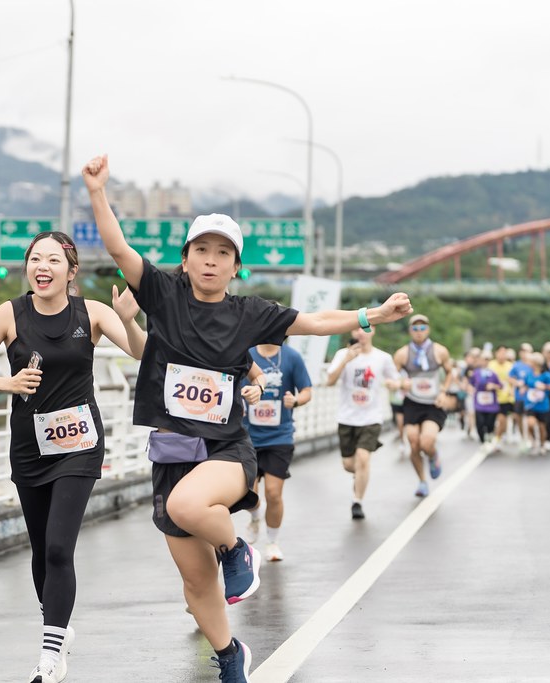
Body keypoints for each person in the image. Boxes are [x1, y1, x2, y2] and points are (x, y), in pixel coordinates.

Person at [82, 154, 412, 683]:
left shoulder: (250, 313)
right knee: (195, 582)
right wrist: (98, 192)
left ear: (237, 266)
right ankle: (230, 654)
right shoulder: (163, 295)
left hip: (227, 451)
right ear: (185, 259)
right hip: (172, 450)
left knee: (189, 504)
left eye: (223, 253)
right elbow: (118, 247)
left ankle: (239, 547)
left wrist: (371, 315)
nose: (211, 261)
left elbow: (316, 321)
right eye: (201, 250)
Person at [0, 230, 146, 683]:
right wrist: (9, 383)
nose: (42, 267)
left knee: (61, 546)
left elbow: (143, 354)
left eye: (53, 261)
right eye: (35, 259)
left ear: (71, 271)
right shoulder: (9, 313)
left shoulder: (94, 313)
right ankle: (58, 628)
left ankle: (49, 651)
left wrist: (130, 320)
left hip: (79, 445)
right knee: (42, 551)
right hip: (29, 446)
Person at [243, 340, 312, 559]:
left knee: (273, 493)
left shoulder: (291, 357)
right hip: (246, 435)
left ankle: (272, 542)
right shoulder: (246, 353)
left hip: (279, 435)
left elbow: (307, 390)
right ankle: (255, 518)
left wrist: (297, 400)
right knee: (248, 494)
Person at [326, 325, 400, 520]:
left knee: (363, 458)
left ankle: (357, 501)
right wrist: (346, 361)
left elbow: (396, 380)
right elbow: (329, 381)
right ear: (352, 332)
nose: (361, 333)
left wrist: (394, 384)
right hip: (347, 417)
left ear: (373, 331)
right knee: (349, 464)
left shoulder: (383, 358)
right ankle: (360, 475)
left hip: (371, 417)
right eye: (357, 329)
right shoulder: (343, 354)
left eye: (366, 329)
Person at [393, 313, 455, 498]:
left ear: (428, 330)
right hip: (412, 402)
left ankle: (433, 454)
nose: (419, 332)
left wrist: (444, 391)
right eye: (415, 328)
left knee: (426, 442)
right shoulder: (402, 354)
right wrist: (399, 383)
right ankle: (422, 481)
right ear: (410, 331)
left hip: (433, 402)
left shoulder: (440, 351)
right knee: (413, 443)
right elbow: (391, 376)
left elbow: (450, 372)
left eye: (422, 328)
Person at [522, 351, 550, 454]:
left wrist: (544, 386)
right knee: (530, 423)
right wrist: (523, 388)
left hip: (542, 405)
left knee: (542, 426)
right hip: (530, 404)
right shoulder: (529, 374)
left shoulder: (546, 375)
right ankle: (533, 441)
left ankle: (542, 444)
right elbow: (525, 384)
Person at [469, 350, 502, 451]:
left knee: (490, 423)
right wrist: (471, 390)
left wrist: (493, 386)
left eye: (487, 359)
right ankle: (483, 441)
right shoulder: (476, 373)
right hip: (479, 403)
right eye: (483, 359)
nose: (485, 362)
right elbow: (470, 384)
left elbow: (500, 385)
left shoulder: (493, 374)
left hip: (491, 404)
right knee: (480, 422)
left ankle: (489, 438)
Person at [486, 345, 515, 448]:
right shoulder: (491, 365)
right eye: (500, 352)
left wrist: (512, 389)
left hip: (506, 398)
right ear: (496, 353)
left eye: (504, 353)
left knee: (502, 419)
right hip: (492, 397)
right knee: (492, 420)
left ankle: (497, 438)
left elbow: (513, 380)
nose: (502, 355)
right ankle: (493, 436)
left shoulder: (510, 366)